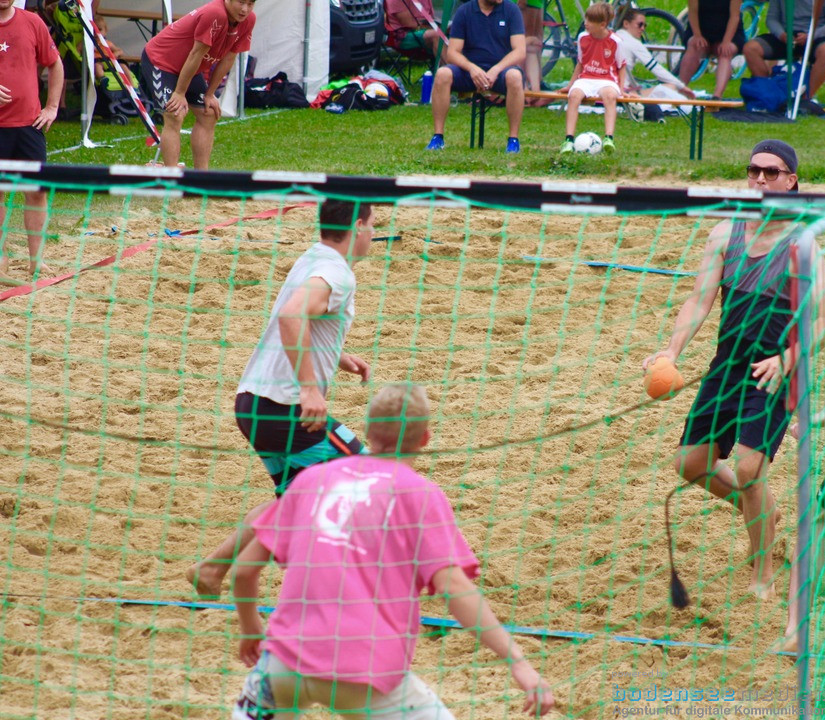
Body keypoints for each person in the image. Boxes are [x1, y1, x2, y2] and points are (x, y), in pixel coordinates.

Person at [230, 383, 556, 720]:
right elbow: (454, 587)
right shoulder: (419, 493)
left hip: (283, 663)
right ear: (425, 439)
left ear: (367, 432)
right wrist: (519, 663)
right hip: (365, 671)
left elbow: (242, 570)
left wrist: (251, 627)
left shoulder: (312, 479)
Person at [643, 140, 825, 599]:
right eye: (753, 171)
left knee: (749, 473)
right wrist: (670, 352)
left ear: (792, 181)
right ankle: (762, 509)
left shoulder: (803, 243)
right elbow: (699, 299)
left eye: (771, 172)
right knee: (690, 465)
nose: (760, 179)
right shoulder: (726, 234)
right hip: (726, 367)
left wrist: (787, 358)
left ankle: (762, 570)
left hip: (774, 373)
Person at [186, 199, 374, 598]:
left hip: (252, 404)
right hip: (284, 408)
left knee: (291, 502)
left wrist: (337, 355)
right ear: (358, 226)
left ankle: (212, 570)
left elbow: (299, 318)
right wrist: (309, 387)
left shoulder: (312, 257)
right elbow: (291, 317)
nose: (374, 233)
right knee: (369, 479)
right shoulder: (336, 273)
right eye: (373, 225)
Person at [140, 0, 256, 169]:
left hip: (189, 67)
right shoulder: (215, 14)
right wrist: (179, 93)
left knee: (209, 113)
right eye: (240, 2)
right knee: (175, 113)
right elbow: (196, 54)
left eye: (250, 4)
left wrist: (210, 94)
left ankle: (201, 177)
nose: (245, 9)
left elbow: (229, 57)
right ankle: (171, 175)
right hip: (161, 62)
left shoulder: (249, 20)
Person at [0, 0, 63, 283]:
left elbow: (55, 63)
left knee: (36, 192)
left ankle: (36, 260)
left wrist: (51, 107)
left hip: (28, 125)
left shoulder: (33, 22)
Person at [427, 0, 525, 153]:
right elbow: (452, 53)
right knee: (442, 74)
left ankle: (513, 140)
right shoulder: (464, 12)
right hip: (469, 72)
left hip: (500, 72)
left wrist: (497, 69)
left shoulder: (512, 10)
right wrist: (472, 68)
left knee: (515, 76)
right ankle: (438, 137)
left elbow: (520, 51)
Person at [558, 2, 631, 154]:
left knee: (610, 96)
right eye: (586, 19)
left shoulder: (615, 41)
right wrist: (571, 85)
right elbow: (580, 63)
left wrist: (622, 89)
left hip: (607, 79)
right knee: (574, 96)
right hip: (586, 78)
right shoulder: (583, 38)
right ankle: (569, 140)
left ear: (603, 24)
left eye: (590, 21)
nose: (586, 23)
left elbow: (622, 66)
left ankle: (609, 137)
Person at [744, 0, 825, 101]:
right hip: (786, 35)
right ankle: (767, 91)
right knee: (750, 48)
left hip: (816, 36)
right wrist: (781, 34)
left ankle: (806, 98)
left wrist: (811, 35)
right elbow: (771, 19)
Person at [616, 9, 695, 98]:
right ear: (626, 24)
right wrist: (682, 86)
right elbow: (656, 68)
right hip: (622, 92)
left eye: (644, 25)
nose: (642, 29)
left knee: (637, 86)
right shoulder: (634, 43)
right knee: (671, 87)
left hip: (608, 87)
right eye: (640, 24)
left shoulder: (613, 36)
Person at [677, 0, 746, 99]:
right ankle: (680, 89)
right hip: (701, 29)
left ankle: (717, 96)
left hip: (728, 31)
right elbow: (692, 12)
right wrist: (697, 35)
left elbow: (734, 17)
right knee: (694, 46)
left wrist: (726, 41)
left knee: (726, 52)